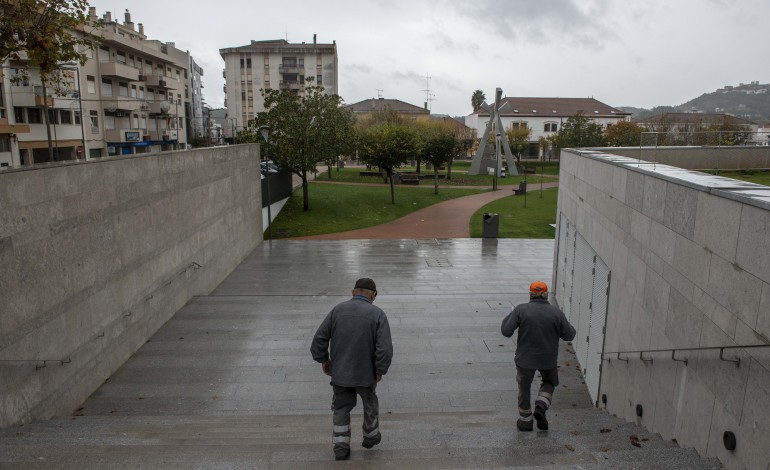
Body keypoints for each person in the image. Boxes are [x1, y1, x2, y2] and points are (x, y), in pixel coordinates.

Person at [310, 278, 393, 461]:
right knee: (370, 403)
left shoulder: (337, 310)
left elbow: (319, 340)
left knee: (341, 408)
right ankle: (371, 436)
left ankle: (341, 447)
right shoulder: (378, 314)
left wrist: (324, 360)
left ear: (353, 292)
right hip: (366, 374)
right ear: (374, 295)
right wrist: (380, 370)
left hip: (340, 374)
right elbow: (384, 349)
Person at [501, 281, 576, 432]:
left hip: (524, 359)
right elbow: (569, 335)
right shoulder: (556, 312)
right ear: (546, 295)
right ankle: (541, 405)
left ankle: (525, 421)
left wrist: (510, 315)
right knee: (549, 381)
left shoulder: (521, 310)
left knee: (524, 387)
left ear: (531, 295)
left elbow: (506, 331)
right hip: (548, 359)